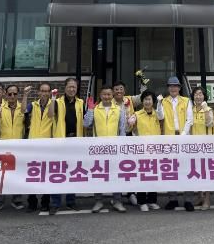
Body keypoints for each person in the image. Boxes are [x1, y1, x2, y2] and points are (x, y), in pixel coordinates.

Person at [50, 77, 93, 214]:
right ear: (65, 88)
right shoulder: (57, 102)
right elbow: (50, 115)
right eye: (69, 86)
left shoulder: (81, 103)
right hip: (60, 141)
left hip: (76, 141)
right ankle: (55, 203)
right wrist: (52, 99)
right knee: (58, 172)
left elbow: (86, 122)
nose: (72, 89)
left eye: (74, 87)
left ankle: (71, 201)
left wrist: (91, 109)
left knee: (73, 172)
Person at [156, 76, 194, 211]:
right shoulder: (163, 101)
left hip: (184, 138)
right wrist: (159, 103)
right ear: (168, 88)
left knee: (187, 169)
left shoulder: (186, 101)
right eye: (171, 86)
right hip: (169, 139)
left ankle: (188, 200)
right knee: (171, 170)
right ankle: (173, 199)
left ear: (179, 88)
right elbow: (160, 117)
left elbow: (190, 119)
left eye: (175, 86)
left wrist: (183, 134)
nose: (173, 88)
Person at [0, 84, 30, 212]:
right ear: (5, 95)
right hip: (3, 145)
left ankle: (16, 199)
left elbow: (27, 123)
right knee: (0, 174)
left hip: (18, 146)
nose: (12, 96)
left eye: (15, 94)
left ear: (18, 95)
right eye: (10, 94)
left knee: (17, 174)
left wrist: (25, 95)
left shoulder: (22, 108)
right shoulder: (1, 107)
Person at [89, 85, 127, 213]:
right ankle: (98, 201)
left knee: (116, 175)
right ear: (100, 96)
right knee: (98, 175)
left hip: (114, 148)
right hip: (98, 148)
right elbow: (86, 123)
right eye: (104, 94)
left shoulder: (119, 109)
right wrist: (90, 110)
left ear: (112, 95)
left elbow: (122, 129)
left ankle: (117, 201)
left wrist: (121, 146)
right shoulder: (95, 109)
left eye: (109, 94)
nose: (106, 97)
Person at [128, 89, 161, 212]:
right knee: (142, 176)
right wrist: (130, 121)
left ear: (153, 101)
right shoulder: (137, 114)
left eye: (149, 99)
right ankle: (142, 201)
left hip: (155, 150)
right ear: (142, 101)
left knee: (153, 176)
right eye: (145, 99)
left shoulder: (158, 114)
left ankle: (152, 200)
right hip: (141, 151)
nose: (147, 102)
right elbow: (129, 128)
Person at [25, 82, 56, 213]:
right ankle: (32, 202)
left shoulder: (54, 103)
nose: (44, 93)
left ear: (49, 92)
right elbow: (23, 110)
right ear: (38, 92)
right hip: (33, 144)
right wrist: (25, 95)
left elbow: (51, 115)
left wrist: (52, 99)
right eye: (42, 91)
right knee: (32, 174)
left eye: (46, 91)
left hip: (47, 145)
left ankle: (45, 202)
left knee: (46, 174)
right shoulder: (33, 105)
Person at [190, 86, 213, 210]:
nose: (198, 96)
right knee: (196, 172)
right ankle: (200, 197)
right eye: (196, 94)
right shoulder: (190, 110)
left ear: (204, 96)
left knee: (206, 173)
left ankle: (207, 200)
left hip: (205, 147)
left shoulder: (208, 109)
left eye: (200, 94)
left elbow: (210, 123)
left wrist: (205, 110)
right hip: (193, 147)